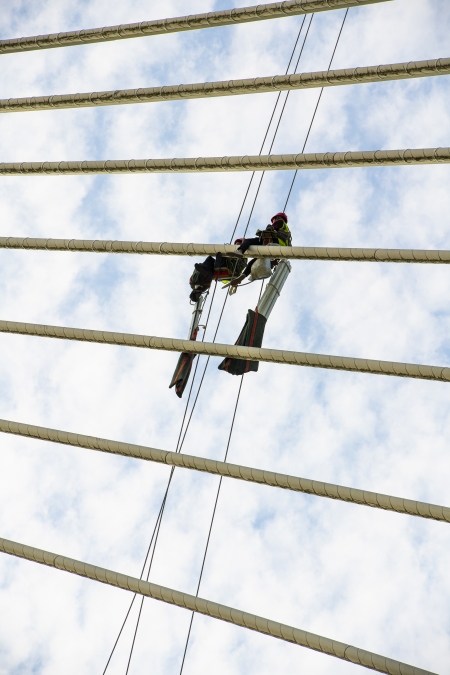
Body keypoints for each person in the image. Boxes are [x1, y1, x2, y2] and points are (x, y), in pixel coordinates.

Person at [229, 212, 291, 287]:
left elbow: (271, 229)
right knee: (252, 262)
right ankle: (242, 277)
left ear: (277, 218)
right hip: (278, 250)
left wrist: (261, 233)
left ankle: (240, 251)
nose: (274, 221)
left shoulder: (280, 222)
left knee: (248, 241)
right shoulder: (288, 233)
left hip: (273, 242)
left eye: (273, 220)